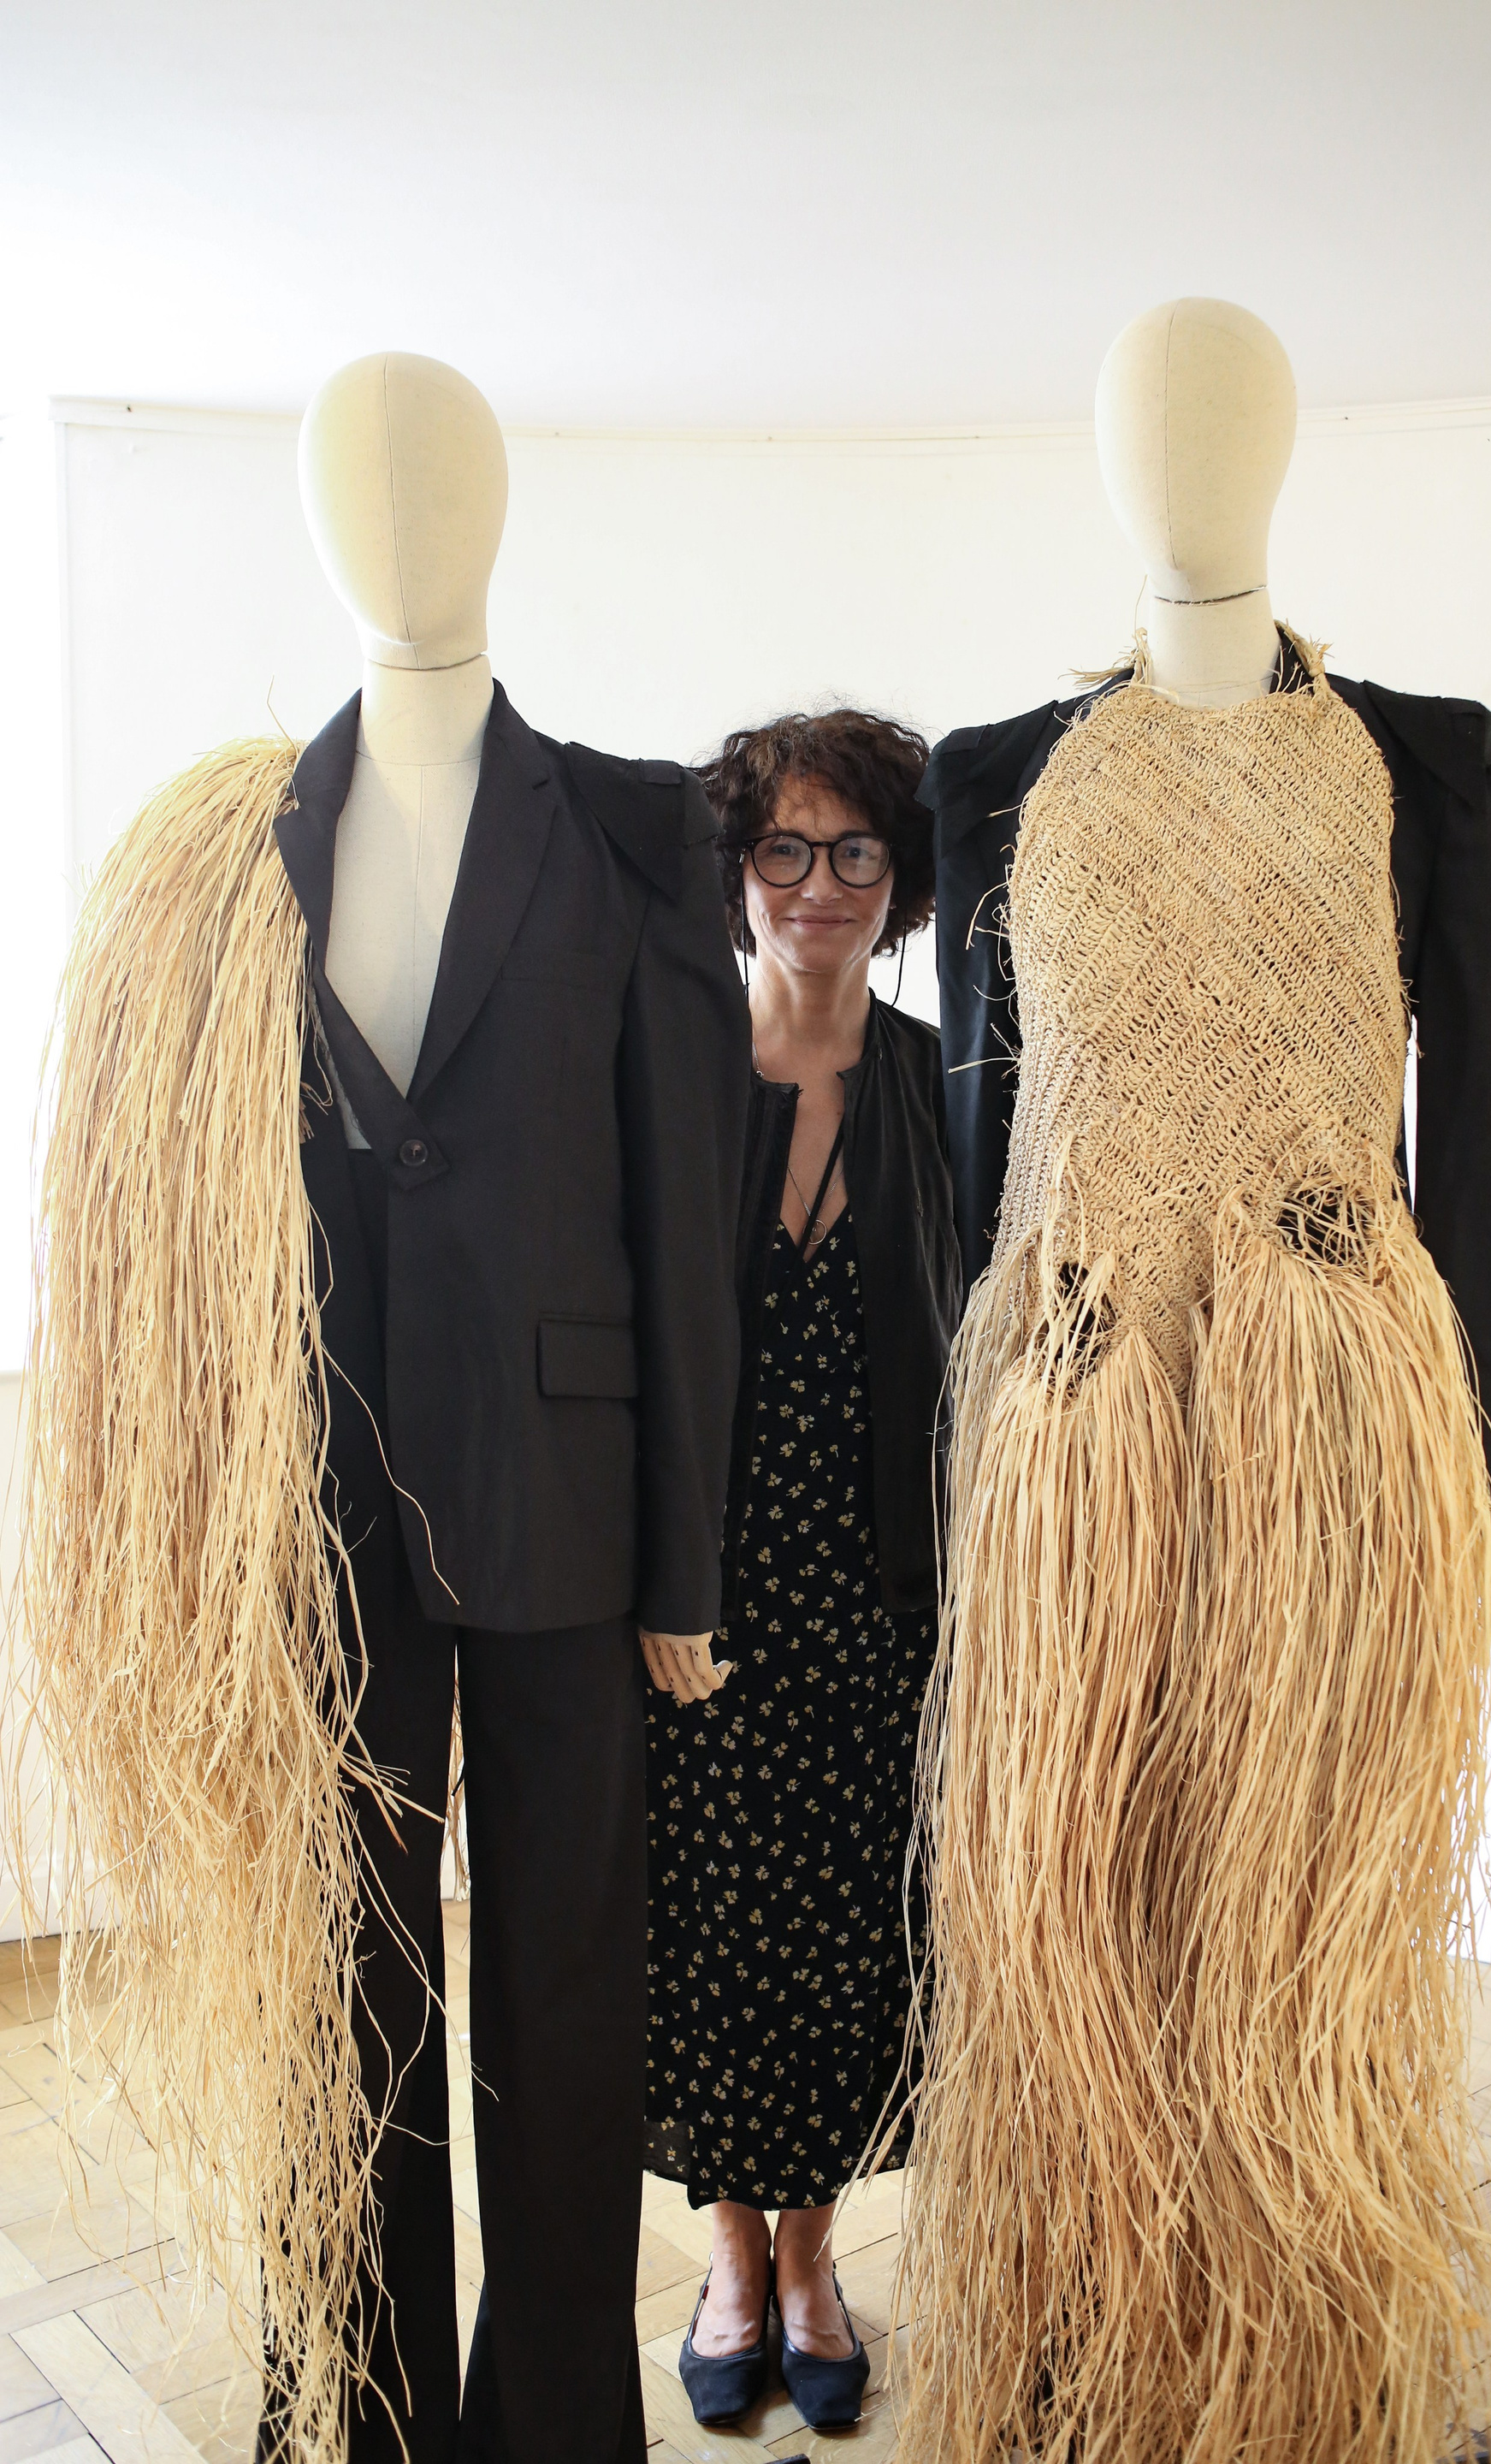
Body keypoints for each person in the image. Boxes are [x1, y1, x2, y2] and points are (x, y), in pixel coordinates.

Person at [642, 709, 962, 2433]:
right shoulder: (671, 1070)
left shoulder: (942, 1081)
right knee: (704, 1931)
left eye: (854, 850)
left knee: (849, 1933)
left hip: (882, 1600)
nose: (818, 882)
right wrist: (654, 1576)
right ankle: (730, 2263)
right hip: (698, 1604)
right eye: (784, 847)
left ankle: (818, 2258)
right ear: (737, 873)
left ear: (898, 879)